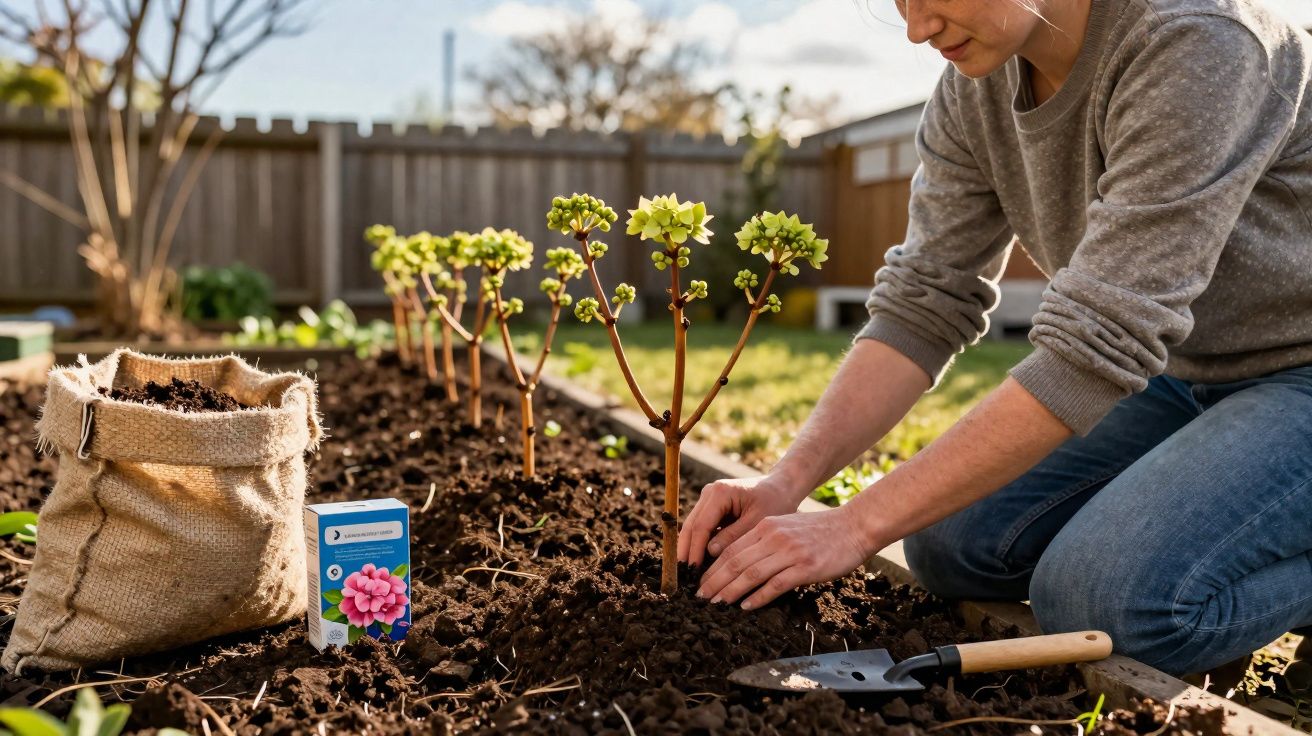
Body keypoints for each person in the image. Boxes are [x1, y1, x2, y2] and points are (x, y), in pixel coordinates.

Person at [678, 0, 1312, 679]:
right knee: (951, 542)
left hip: (1300, 369)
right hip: (1183, 373)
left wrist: (854, 527)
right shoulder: (975, 89)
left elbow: (1093, 348)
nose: (916, 29)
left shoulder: (1200, 43)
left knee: (1110, 599)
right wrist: (788, 483)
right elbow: (926, 301)